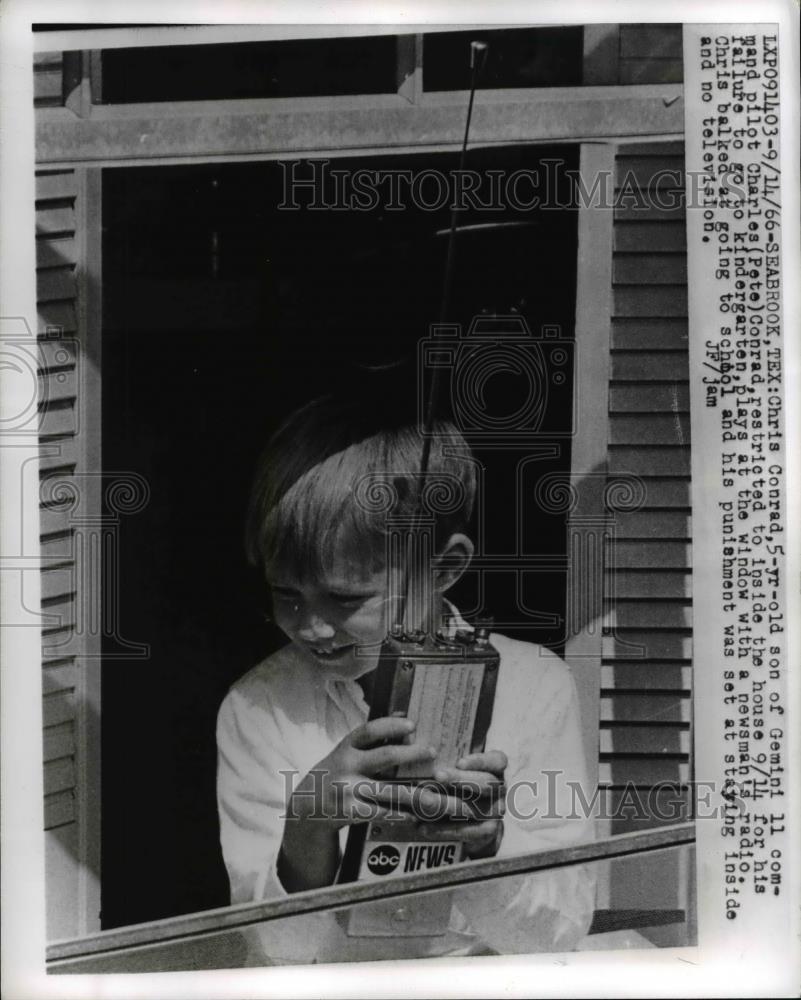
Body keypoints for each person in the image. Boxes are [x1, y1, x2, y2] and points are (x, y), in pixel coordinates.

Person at [216, 391, 596, 963]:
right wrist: (307, 827)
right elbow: (277, 953)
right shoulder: (257, 706)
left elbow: (557, 935)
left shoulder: (536, 685)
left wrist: (488, 853)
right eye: (285, 595)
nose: (311, 627)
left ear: (445, 568)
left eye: (345, 597)